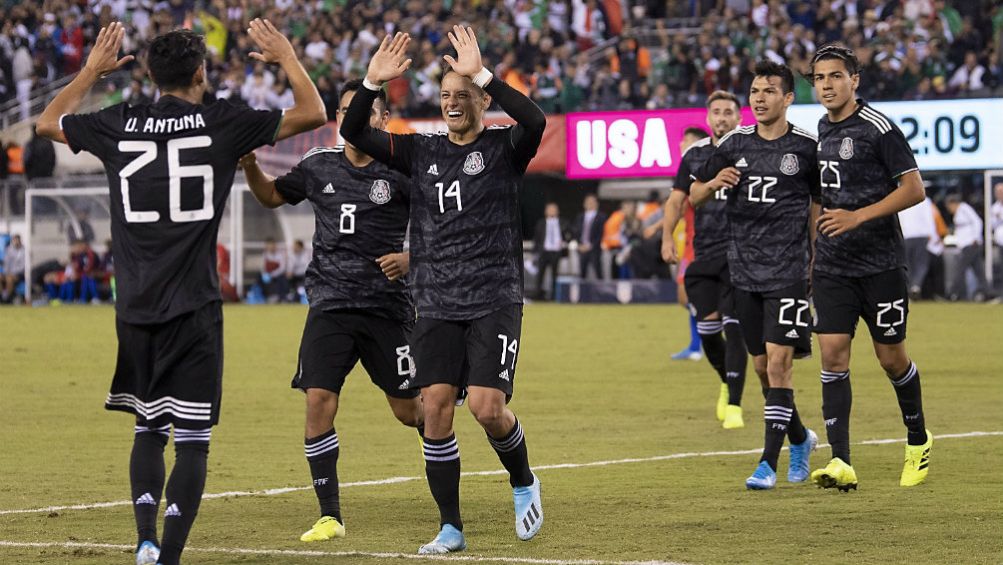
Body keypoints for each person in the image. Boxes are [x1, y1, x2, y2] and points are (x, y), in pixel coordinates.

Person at [35, 21, 325, 565]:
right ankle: (168, 556)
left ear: (148, 74)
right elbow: (313, 114)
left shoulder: (118, 122)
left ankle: (145, 541)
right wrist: (285, 55)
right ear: (199, 74)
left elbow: (47, 122)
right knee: (192, 439)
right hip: (193, 303)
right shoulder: (223, 122)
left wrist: (92, 71)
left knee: (149, 426)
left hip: (135, 305)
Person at [341, 27, 546, 554]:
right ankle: (451, 527)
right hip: (433, 302)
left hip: (494, 298)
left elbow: (535, 119)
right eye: (446, 95)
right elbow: (354, 131)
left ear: (481, 99)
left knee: (486, 407)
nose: (453, 103)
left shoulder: (504, 148)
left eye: (463, 94)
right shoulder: (420, 150)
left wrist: (483, 73)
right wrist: (371, 82)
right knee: (434, 409)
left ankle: (523, 481)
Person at [238, 78, 423, 543]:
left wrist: (411, 258)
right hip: (330, 307)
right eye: (343, 111)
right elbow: (271, 196)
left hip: (386, 310)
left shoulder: (401, 169)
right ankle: (330, 515)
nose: (350, 118)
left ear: (381, 118)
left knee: (410, 411)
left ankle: (442, 451)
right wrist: (249, 166)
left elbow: (442, 224)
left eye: (360, 111)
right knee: (319, 400)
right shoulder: (318, 165)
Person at [808, 44, 932, 491]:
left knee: (890, 358)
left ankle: (918, 438)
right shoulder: (819, 130)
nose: (827, 85)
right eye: (820, 78)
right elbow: (819, 199)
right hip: (834, 266)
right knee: (832, 353)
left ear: (854, 80)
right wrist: (813, 250)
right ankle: (840, 459)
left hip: (881, 265)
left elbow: (914, 189)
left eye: (835, 76)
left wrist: (858, 215)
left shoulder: (880, 128)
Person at [690, 61, 819, 490]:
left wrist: (816, 263)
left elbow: (818, 208)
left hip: (788, 272)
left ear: (787, 98)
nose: (759, 98)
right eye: (755, 91)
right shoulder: (733, 143)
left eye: (769, 90)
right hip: (743, 274)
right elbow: (695, 195)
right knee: (763, 369)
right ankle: (800, 438)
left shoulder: (806, 148)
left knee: (780, 365)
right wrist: (713, 184)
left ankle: (766, 463)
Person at [662, 91, 748, 430]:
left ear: (739, 118)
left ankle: (736, 406)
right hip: (705, 253)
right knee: (708, 329)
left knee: (734, 326)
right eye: (717, 112)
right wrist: (667, 236)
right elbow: (677, 200)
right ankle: (727, 379)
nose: (722, 118)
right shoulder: (694, 156)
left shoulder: (750, 150)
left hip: (742, 253)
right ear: (709, 117)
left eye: (729, 112)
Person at [669, 128, 705, 362]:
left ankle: (698, 344)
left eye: (688, 141)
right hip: (690, 244)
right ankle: (696, 344)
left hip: (703, 244)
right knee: (685, 297)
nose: (682, 143)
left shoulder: (702, 170)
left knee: (687, 295)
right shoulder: (685, 170)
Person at [945, 194, 991, 302]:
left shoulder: (964, 208)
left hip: (971, 245)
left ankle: (952, 293)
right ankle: (988, 293)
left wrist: (975, 238)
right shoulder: (959, 213)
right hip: (967, 245)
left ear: (953, 203)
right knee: (978, 270)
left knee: (960, 269)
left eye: (949, 206)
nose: (948, 209)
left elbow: (977, 221)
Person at [532, 202, 569, 300]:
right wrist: (535, 253)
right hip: (544, 251)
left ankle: (554, 296)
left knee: (555, 275)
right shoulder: (541, 223)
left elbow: (569, 235)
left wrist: (565, 242)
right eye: (550, 209)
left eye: (554, 209)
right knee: (540, 275)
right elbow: (537, 239)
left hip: (556, 252)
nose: (552, 211)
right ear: (545, 211)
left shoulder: (563, 223)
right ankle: (538, 295)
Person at [573, 193, 605, 280]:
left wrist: (591, 245)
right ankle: (582, 291)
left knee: (598, 272)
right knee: (582, 273)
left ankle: (601, 291)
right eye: (588, 202)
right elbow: (576, 232)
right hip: (582, 248)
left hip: (594, 249)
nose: (590, 204)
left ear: (596, 203)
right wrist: (579, 244)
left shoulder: (601, 217)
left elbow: (601, 234)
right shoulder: (580, 217)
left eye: (592, 202)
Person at [259, 237, 288, 303]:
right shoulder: (265, 255)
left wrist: (272, 275)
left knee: (282, 279)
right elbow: (262, 267)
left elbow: (282, 268)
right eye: (268, 245)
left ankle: (282, 297)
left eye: (272, 245)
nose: (270, 247)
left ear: (275, 245)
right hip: (268, 275)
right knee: (260, 279)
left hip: (278, 274)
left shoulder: (280, 254)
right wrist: (264, 274)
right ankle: (266, 296)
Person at [2, 234, 25, 303]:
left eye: (17, 240)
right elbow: (6, 263)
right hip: (8, 273)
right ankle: (2, 295)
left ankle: (6, 298)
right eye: (14, 240)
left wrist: (12, 273)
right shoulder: (9, 250)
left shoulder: (24, 251)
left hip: (19, 274)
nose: (16, 242)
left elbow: (23, 266)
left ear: (20, 241)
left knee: (9, 279)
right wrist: (6, 273)